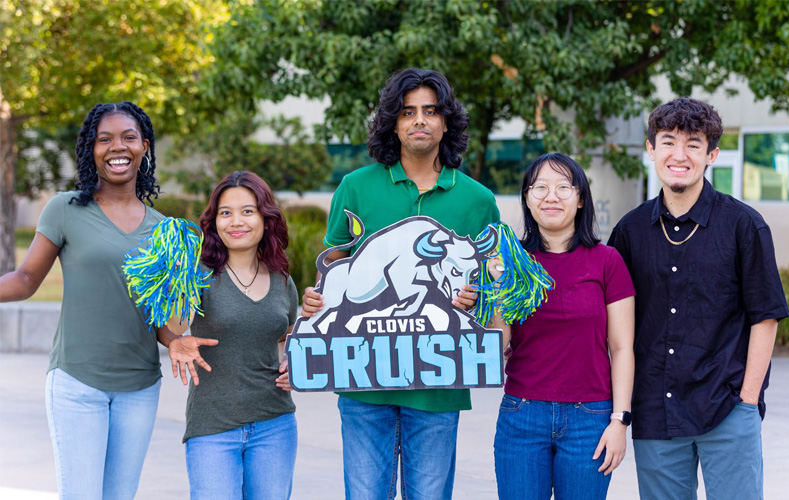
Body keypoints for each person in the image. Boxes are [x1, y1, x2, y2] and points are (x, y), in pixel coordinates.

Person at [302, 68, 500, 499]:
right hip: (363, 382)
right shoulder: (355, 188)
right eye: (408, 112)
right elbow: (335, 264)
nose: (419, 121)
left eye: (431, 111)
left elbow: (491, 290)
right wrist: (318, 298)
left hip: (438, 387)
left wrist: (473, 300)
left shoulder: (478, 200)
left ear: (446, 121)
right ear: (393, 121)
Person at [0, 101, 189, 499]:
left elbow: (162, 322)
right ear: (91, 149)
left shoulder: (165, 231)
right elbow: (26, 278)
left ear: (145, 146)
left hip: (139, 387)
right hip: (76, 383)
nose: (116, 147)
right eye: (104, 139)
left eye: (128, 137)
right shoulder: (66, 209)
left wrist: (177, 340)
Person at [607, 97, 789, 500]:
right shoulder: (629, 232)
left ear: (712, 155)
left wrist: (747, 400)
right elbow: (611, 320)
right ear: (651, 150)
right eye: (668, 141)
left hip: (726, 408)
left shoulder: (744, 226)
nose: (680, 154)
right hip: (655, 410)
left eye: (693, 143)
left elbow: (766, 316)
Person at [486, 153, 635, 500]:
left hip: (591, 418)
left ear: (580, 198)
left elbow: (622, 347)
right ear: (526, 197)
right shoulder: (512, 262)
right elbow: (496, 344)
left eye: (563, 187)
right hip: (522, 415)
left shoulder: (607, 261)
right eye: (540, 187)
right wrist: (498, 287)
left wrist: (619, 421)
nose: (550, 196)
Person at [159, 171, 299, 500]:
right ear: (214, 221)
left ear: (266, 218)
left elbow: (287, 334)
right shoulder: (198, 273)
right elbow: (176, 327)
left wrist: (298, 365)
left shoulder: (282, 279)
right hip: (213, 427)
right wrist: (179, 277)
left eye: (247, 211)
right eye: (226, 212)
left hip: (274, 424)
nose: (236, 221)